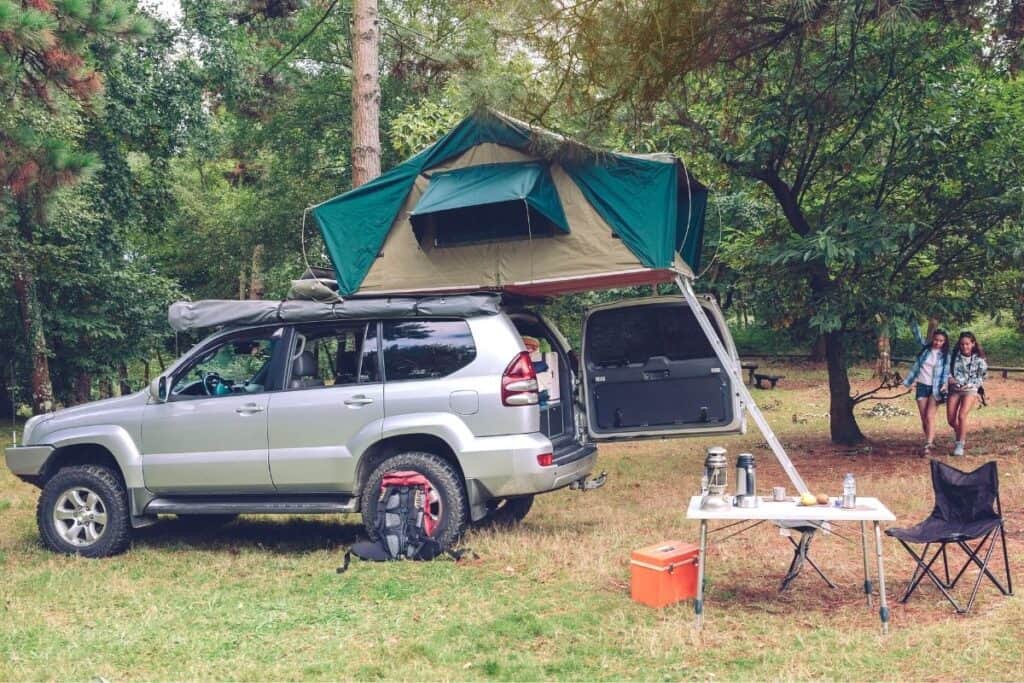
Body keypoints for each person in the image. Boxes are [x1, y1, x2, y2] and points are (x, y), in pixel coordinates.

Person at [902, 324, 950, 456]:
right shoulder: (925, 349)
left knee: (930, 416)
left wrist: (945, 385)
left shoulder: (945, 356)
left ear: (944, 342)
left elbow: (947, 373)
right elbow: (917, 336)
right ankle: (929, 440)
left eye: (941, 341)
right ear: (932, 339)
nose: (938, 343)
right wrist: (912, 319)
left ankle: (928, 445)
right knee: (924, 418)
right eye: (936, 340)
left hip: (936, 388)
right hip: (922, 386)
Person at [946, 331, 988, 457]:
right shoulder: (953, 356)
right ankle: (961, 434)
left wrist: (971, 384)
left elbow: (983, 376)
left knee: (962, 416)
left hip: (970, 389)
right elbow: (946, 371)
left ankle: (960, 444)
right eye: (962, 344)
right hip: (955, 389)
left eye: (967, 344)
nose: (965, 346)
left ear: (973, 344)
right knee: (951, 419)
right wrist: (950, 379)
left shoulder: (979, 359)